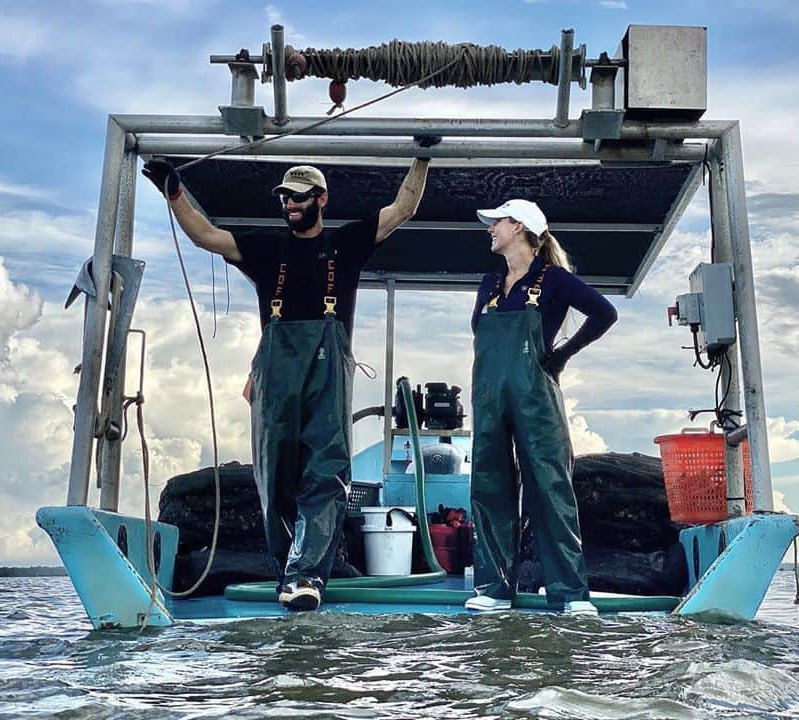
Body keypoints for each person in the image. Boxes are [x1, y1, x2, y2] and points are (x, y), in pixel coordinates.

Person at [142, 148, 434, 611]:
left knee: (325, 472)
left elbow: (403, 209)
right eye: (285, 198)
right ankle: (289, 569)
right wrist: (174, 191)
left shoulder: (348, 243)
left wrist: (422, 156)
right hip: (276, 378)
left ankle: (306, 576)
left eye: (299, 197)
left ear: (321, 199)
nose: (290, 204)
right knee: (273, 477)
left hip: (328, 374)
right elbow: (204, 236)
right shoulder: (263, 248)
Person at [466, 199, 617, 616]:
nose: (491, 228)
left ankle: (569, 593)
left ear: (519, 226)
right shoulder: (489, 284)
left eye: (497, 222)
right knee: (489, 486)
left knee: (549, 488)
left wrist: (564, 353)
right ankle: (494, 589)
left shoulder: (554, 280)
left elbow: (605, 313)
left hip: (536, 396)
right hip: (490, 398)